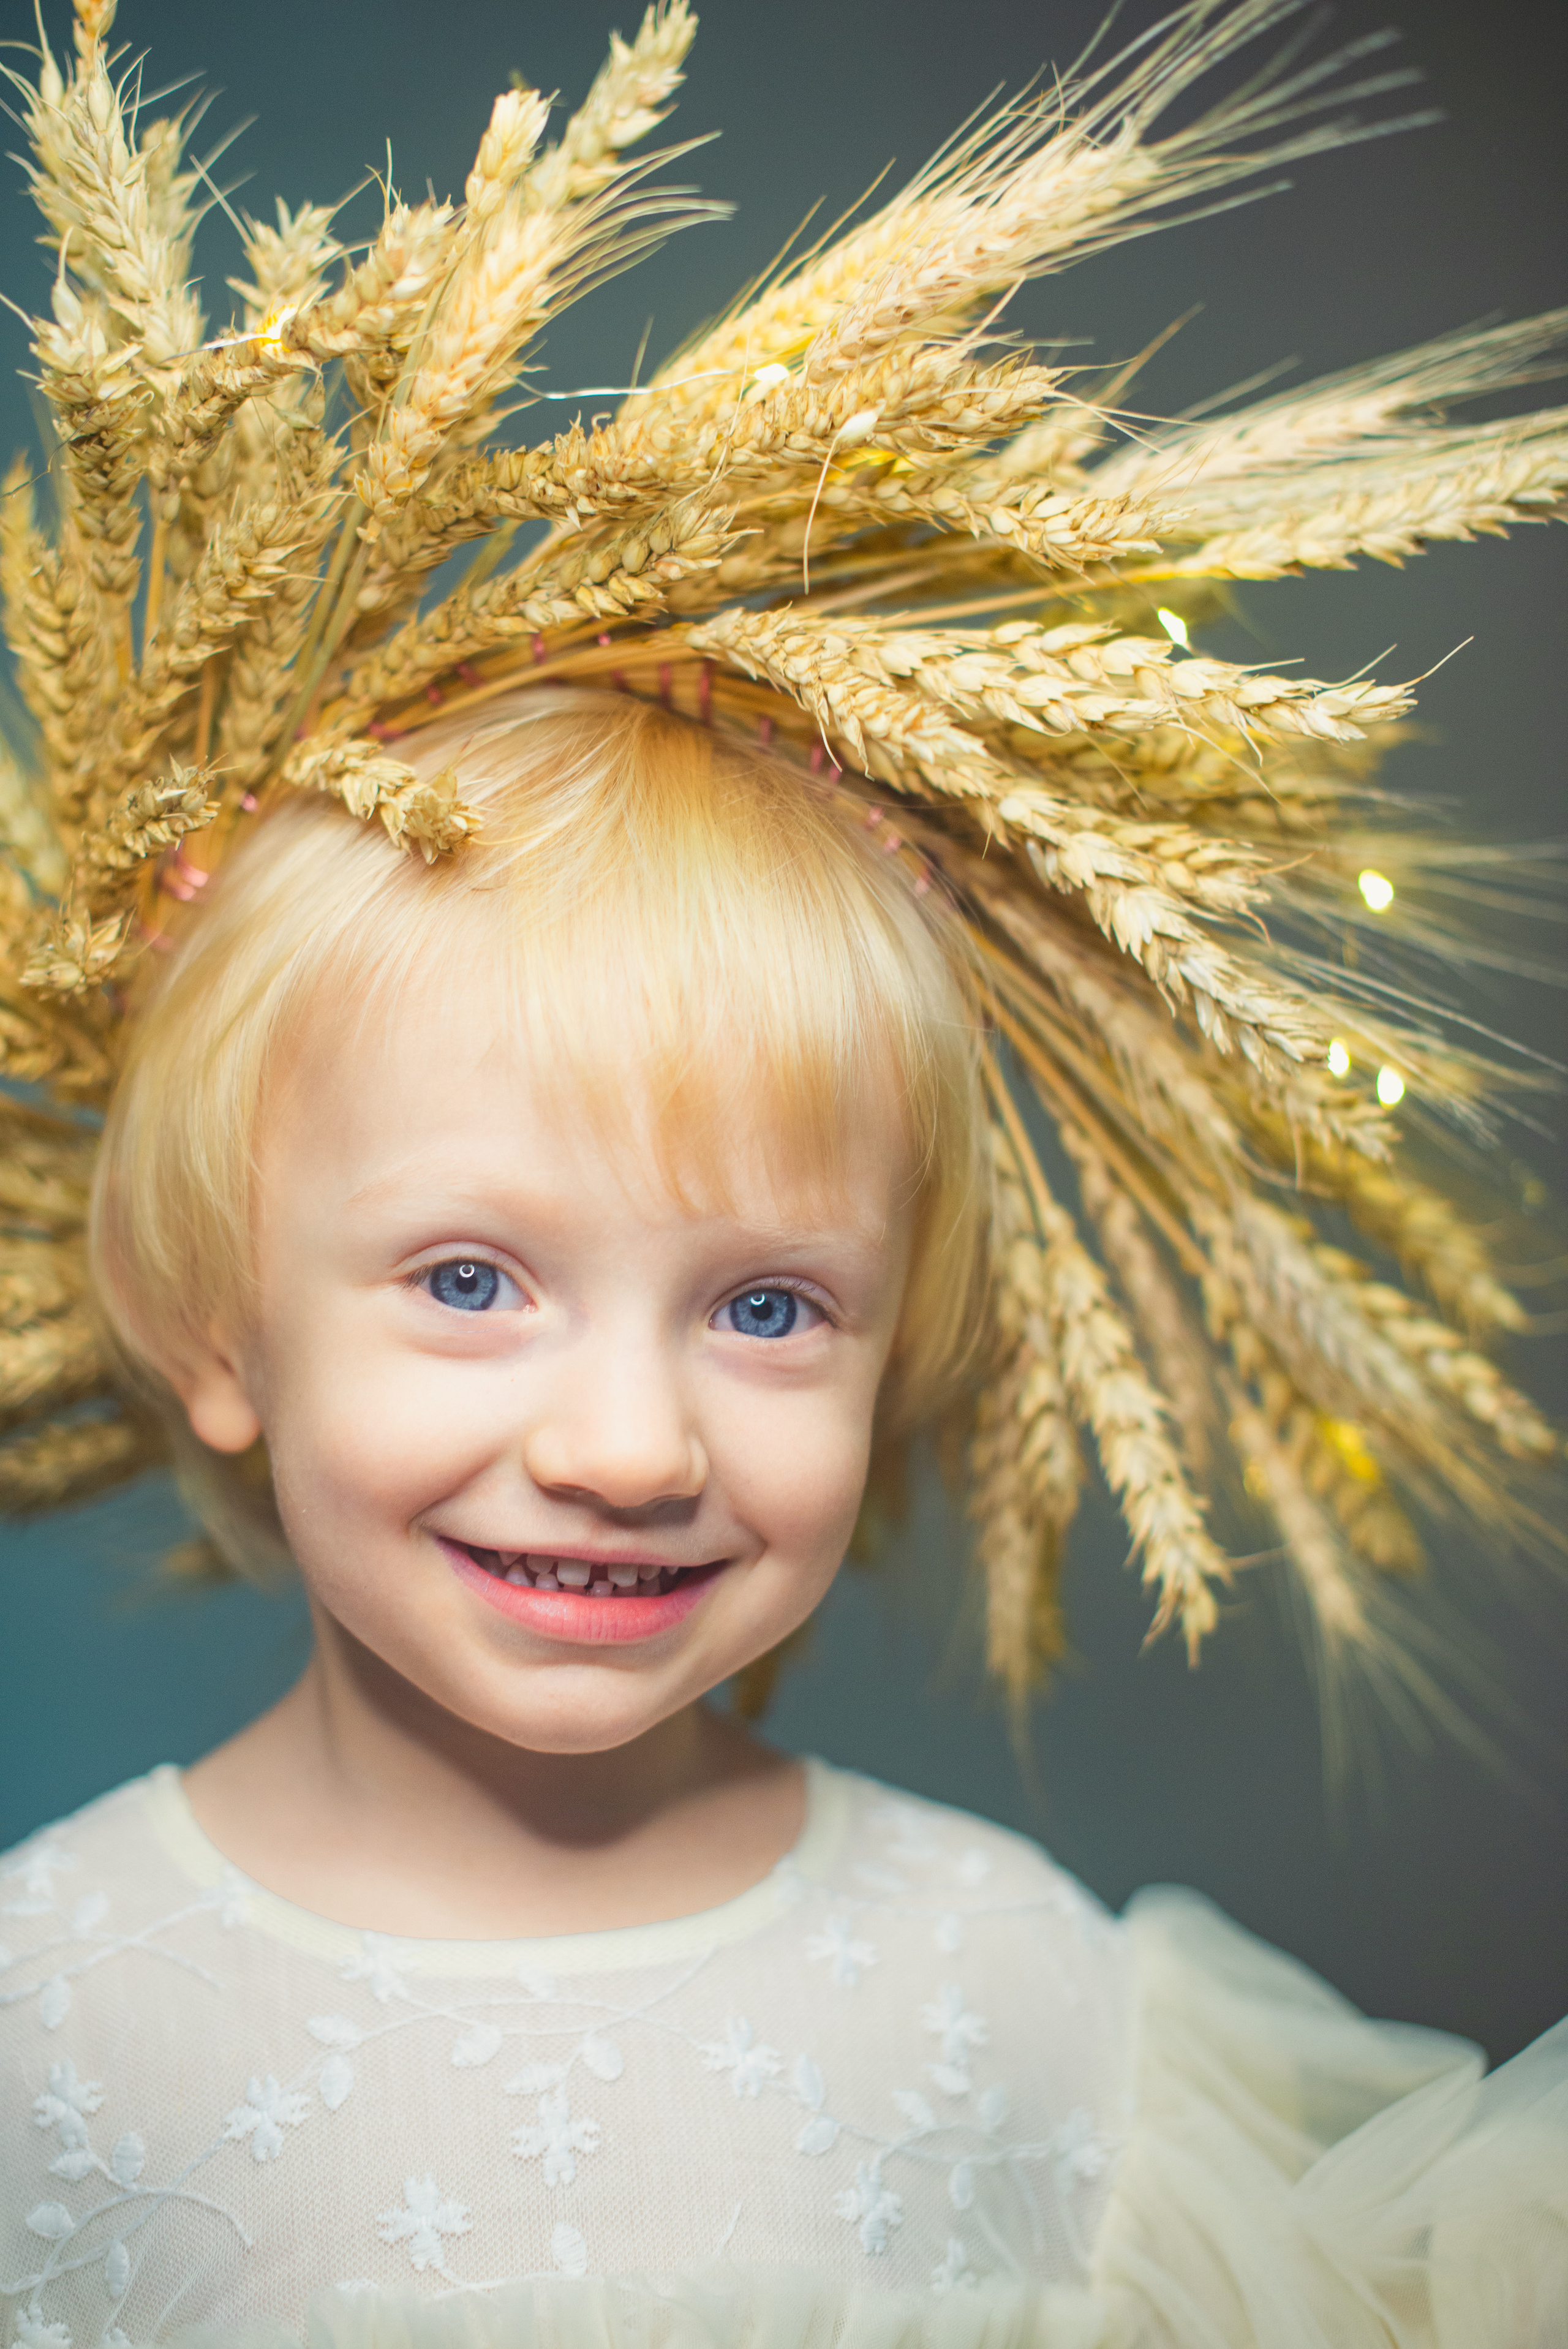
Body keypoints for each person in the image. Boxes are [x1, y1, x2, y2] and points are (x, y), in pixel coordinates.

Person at [0, 4, 1564, 2343]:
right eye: (466, 1277)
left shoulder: (1038, 2012)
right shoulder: (47, 2026)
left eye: (764, 1309)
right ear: (219, 1319)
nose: (628, 1445)